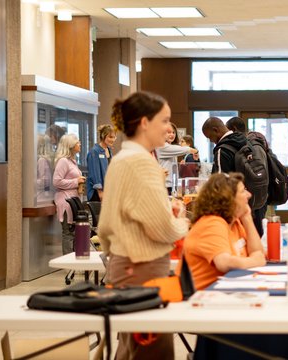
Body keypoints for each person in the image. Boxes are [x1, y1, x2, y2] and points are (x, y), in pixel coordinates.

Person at [98, 91, 189, 359]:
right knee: (151, 349)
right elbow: (163, 229)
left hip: (123, 264)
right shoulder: (142, 163)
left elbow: (107, 225)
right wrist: (181, 222)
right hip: (143, 267)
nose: (169, 129)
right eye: (164, 121)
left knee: (130, 347)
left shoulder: (121, 159)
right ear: (144, 122)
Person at [183, 172, 266, 290]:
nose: (249, 194)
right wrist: (254, 261)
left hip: (223, 292)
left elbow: (259, 252)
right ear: (228, 198)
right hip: (201, 297)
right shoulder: (212, 224)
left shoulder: (234, 222)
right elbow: (224, 263)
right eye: (243, 191)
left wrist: (247, 218)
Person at [202, 116, 268, 237]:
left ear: (216, 130)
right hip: (254, 200)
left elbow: (221, 183)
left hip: (235, 206)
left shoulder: (222, 150)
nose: (211, 141)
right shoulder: (246, 141)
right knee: (252, 238)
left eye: (209, 137)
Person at [225, 116, 269, 236]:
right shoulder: (255, 144)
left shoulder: (245, 146)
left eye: (227, 130)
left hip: (251, 195)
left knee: (252, 231)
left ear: (233, 129)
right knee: (255, 230)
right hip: (260, 194)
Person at [52, 133, 85, 255]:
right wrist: (76, 181)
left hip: (74, 201)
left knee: (74, 232)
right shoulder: (63, 162)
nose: (80, 144)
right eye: (77, 142)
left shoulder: (72, 162)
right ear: (70, 146)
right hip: (66, 201)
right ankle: (68, 266)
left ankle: (75, 263)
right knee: (68, 232)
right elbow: (56, 182)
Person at [156, 122, 198, 194]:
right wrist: (195, 151)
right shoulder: (161, 146)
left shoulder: (169, 146)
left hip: (172, 185)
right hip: (164, 185)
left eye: (173, 132)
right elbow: (184, 149)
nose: (172, 135)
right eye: (168, 132)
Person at [86, 124, 117, 201]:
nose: (113, 140)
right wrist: (100, 192)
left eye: (114, 137)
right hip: (97, 193)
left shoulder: (109, 150)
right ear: (103, 136)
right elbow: (94, 174)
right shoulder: (94, 151)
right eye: (110, 137)